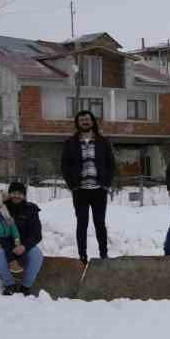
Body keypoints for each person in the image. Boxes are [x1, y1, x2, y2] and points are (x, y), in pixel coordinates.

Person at [61, 110, 114, 263]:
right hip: (80, 191)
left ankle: (104, 254)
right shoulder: (70, 143)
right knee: (82, 224)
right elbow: (64, 166)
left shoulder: (103, 142)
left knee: (100, 224)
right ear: (77, 123)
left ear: (93, 122)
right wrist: (72, 185)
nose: (85, 122)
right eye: (82, 119)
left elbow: (111, 164)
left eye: (88, 119)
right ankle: (82, 256)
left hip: (99, 190)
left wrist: (106, 184)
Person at [0, 182, 45, 296]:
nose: (16, 196)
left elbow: (37, 234)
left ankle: (26, 287)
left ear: (24, 195)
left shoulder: (31, 209)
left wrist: (24, 246)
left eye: (20, 193)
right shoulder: (0, 205)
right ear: (9, 193)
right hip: (2, 242)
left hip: (23, 243)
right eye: (14, 193)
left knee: (37, 255)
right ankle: (9, 285)